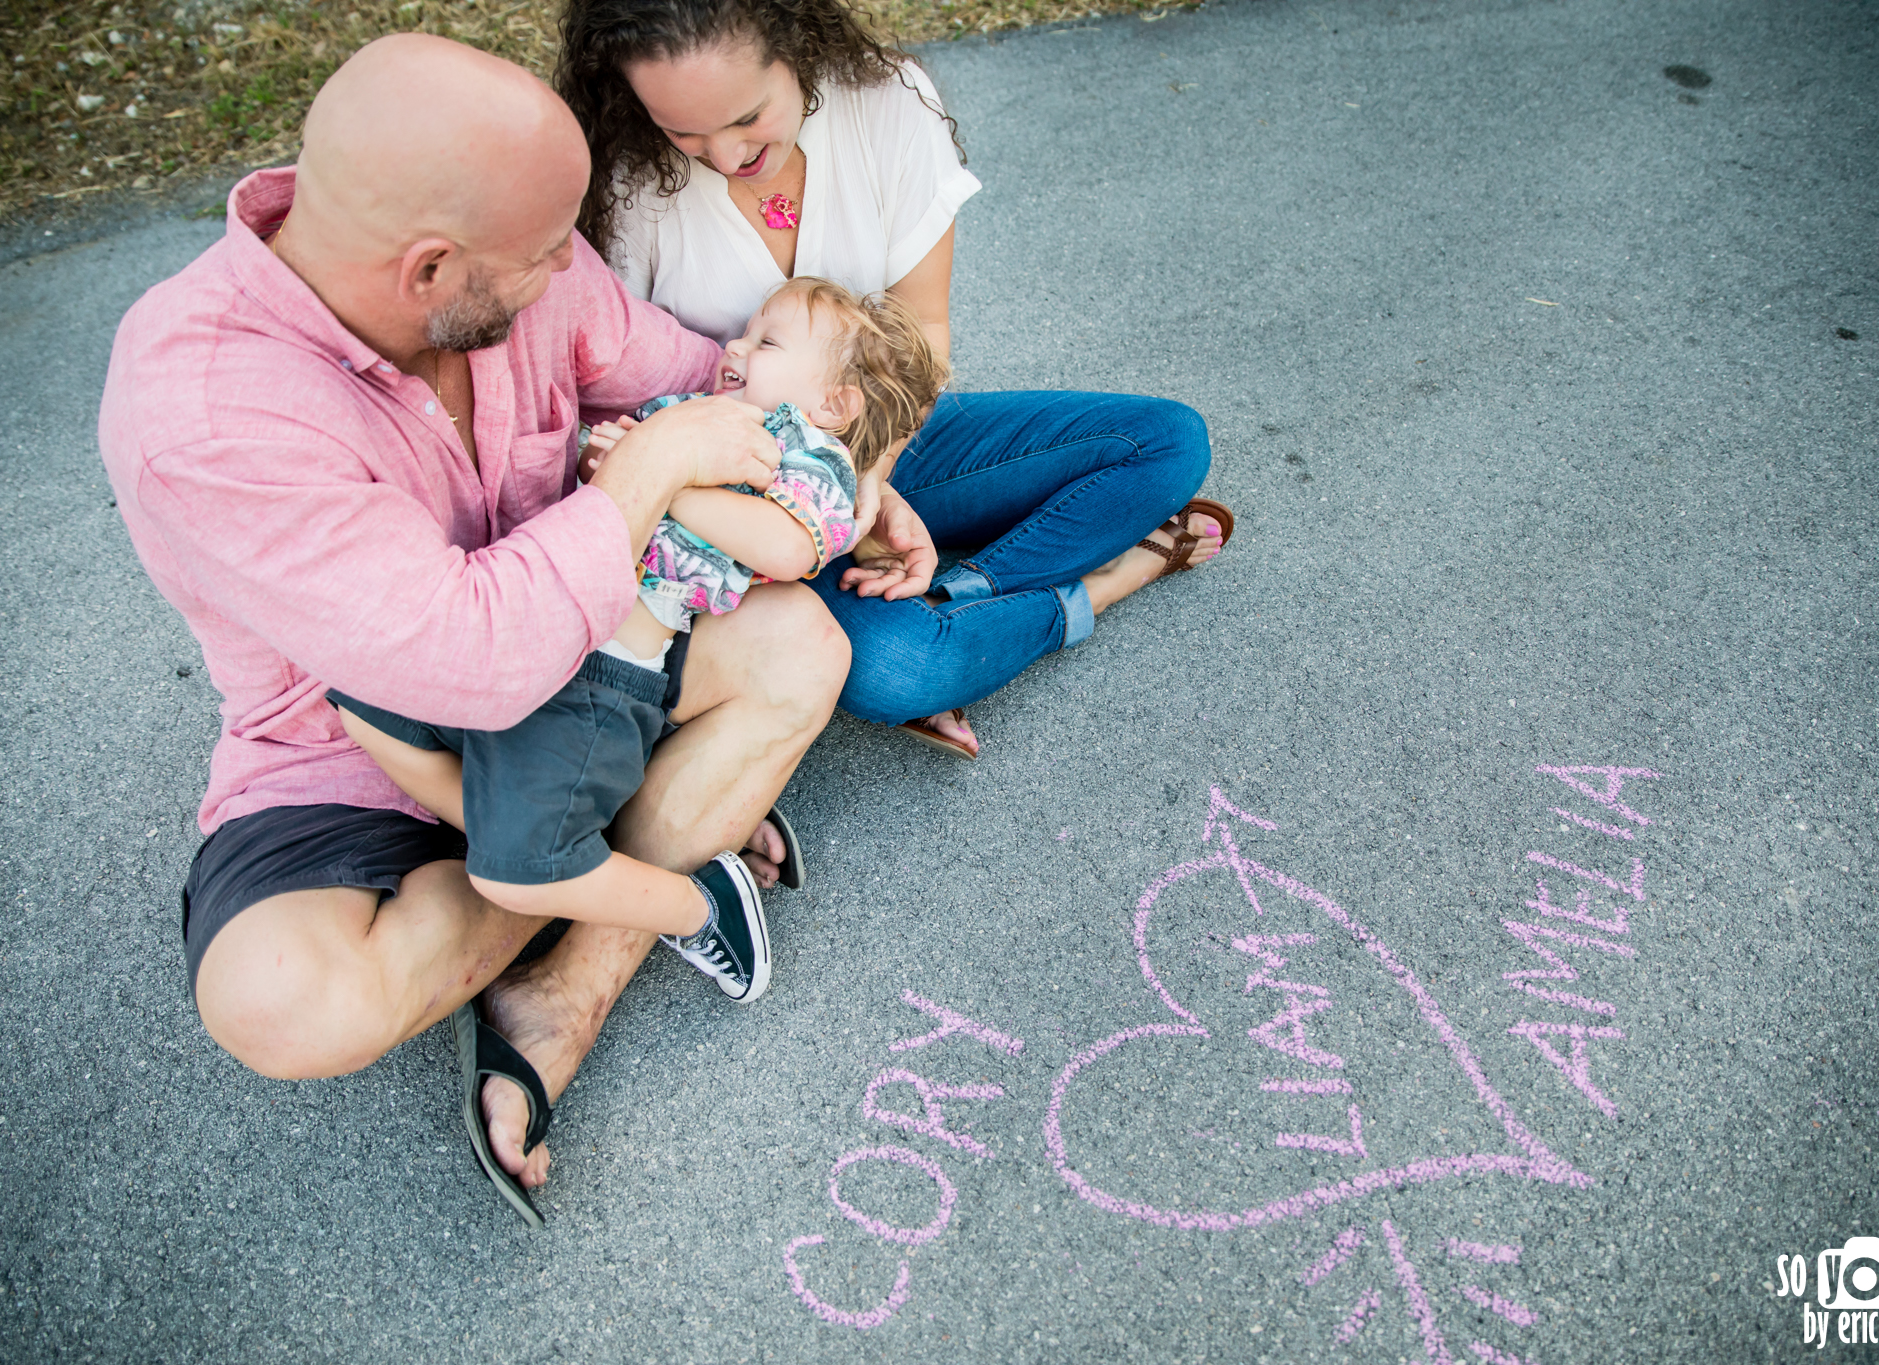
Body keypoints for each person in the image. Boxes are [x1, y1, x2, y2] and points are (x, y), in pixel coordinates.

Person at [97, 33, 848, 1225]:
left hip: (597, 661)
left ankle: (575, 980)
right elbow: (475, 662)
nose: (576, 272)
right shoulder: (200, 412)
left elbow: (703, 377)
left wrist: (844, 478)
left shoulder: (515, 270)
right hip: (361, 744)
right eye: (551, 253)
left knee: (805, 641)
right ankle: (645, 835)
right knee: (286, 1005)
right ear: (430, 269)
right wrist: (648, 466)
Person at [555, 0, 1233, 761]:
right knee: (903, 668)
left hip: (884, 433)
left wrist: (873, 478)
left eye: (747, 115)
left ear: (796, 46)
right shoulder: (622, 177)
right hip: (739, 512)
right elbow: (616, 397)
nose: (721, 153)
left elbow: (924, 338)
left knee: (1168, 441)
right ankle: (1096, 585)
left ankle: (965, 594)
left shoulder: (885, 106)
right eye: (682, 129)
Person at [328, 277, 944, 1003]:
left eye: (765, 341)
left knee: (508, 874)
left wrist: (663, 474)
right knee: (359, 698)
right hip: (537, 619)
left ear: (835, 403)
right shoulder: (698, 414)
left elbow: (788, 548)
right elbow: (611, 477)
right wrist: (613, 457)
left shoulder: (808, 456)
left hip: (606, 675)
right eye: (745, 331)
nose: (736, 346)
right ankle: (547, 827)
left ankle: (699, 905)